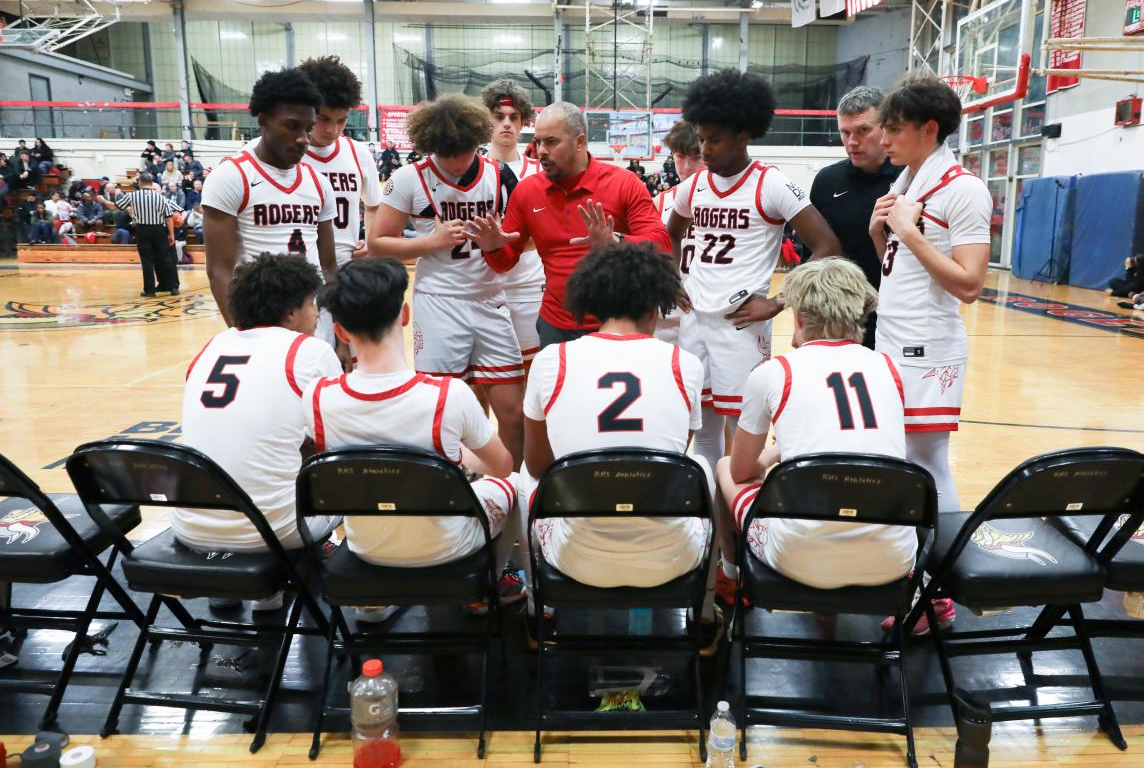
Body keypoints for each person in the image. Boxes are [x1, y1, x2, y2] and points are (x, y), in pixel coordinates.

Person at [518, 242, 721, 652]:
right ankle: (704, 612)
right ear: (655, 307)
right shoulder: (685, 364)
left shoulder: (551, 360)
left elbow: (539, 465)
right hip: (671, 558)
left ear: (594, 302)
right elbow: (674, 461)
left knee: (521, 477)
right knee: (702, 465)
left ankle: (537, 609)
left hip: (574, 557)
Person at [307, 257, 522, 621]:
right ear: (405, 315)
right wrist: (453, 459)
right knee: (514, 484)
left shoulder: (317, 397)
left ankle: (372, 600)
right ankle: (491, 586)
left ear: (341, 332)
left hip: (365, 548)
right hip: (447, 547)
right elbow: (501, 466)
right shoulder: (447, 395)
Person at [665, 69, 842, 471]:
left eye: (714, 139)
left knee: (741, 426)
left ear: (744, 135)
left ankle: (734, 513)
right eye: (701, 138)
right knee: (702, 423)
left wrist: (779, 303)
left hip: (741, 323)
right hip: (694, 319)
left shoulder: (771, 183)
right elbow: (668, 236)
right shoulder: (694, 187)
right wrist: (672, 278)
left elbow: (828, 246)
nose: (704, 149)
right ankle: (709, 510)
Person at [714, 257, 913, 602]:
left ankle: (729, 577)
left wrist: (771, 456)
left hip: (799, 557)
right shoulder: (890, 367)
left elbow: (742, 470)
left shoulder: (775, 372)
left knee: (724, 467)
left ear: (801, 317)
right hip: (894, 559)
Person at [868, 77, 992, 631]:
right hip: (894, 339)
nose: (884, 138)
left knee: (927, 463)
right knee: (901, 461)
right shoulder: (910, 177)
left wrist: (906, 231)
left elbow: (969, 284)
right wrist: (881, 234)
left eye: (893, 129)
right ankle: (916, 583)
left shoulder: (963, 188)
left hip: (928, 348)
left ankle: (935, 593)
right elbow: (902, 266)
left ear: (929, 130)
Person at [178, 253, 342, 611]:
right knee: (345, 464)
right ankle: (363, 598)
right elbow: (335, 442)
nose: (316, 314)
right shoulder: (309, 350)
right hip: (274, 531)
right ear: (290, 313)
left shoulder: (212, 346)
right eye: (312, 303)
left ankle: (251, 589)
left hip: (189, 527)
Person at [368, 94, 525, 464]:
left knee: (513, 412)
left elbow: (524, 238)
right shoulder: (408, 178)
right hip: (438, 304)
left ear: (477, 141)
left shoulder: (500, 176)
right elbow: (377, 243)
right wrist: (430, 242)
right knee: (444, 411)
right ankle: (456, 484)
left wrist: (496, 243)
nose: (455, 162)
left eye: (464, 152)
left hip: (490, 300)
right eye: (446, 153)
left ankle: (512, 486)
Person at [465, 101, 673, 347]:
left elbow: (662, 245)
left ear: (580, 142)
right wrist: (492, 247)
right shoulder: (527, 192)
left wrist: (614, 242)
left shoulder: (624, 183)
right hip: (556, 325)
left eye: (551, 142)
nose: (541, 150)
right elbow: (504, 262)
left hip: (620, 324)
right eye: (538, 142)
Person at [201, 67, 337, 329]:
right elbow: (219, 271)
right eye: (291, 126)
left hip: (314, 319)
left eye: (308, 129)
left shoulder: (318, 183)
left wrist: (340, 334)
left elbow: (329, 266)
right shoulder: (231, 176)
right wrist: (241, 334)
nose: (302, 139)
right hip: (260, 320)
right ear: (263, 121)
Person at [809, 86, 903, 348]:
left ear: (886, 126)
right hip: (838, 318)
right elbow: (813, 257)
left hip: (896, 315)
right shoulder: (827, 181)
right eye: (845, 132)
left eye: (863, 130)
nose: (852, 141)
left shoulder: (910, 179)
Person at [291, 55, 381, 270]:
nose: (333, 130)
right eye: (324, 119)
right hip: (297, 271)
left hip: (344, 272)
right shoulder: (281, 154)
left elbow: (373, 206)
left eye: (342, 120)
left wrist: (370, 241)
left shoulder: (358, 153)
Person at [480, 78, 543, 371]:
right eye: (499, 116)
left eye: (513, 117)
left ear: (524, 121)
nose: (506, 123)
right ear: (486, 119)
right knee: (483, 380)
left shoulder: (541, 170)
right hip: (483, 287)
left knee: (533, 378)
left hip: (529, 286)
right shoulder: (471, 169)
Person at [653, 119, 704, 345]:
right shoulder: (658, 202)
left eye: (695, 157)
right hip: (668, 314)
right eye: (679, 157)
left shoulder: (729, 201)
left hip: (709, 313)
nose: (685, 168)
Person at [101, 172, 181, 296]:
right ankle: (173, 288)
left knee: (147, 260)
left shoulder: (133, 196)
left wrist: (103, 200)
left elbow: (114, 208)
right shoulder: (161, 198)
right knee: (166, 259)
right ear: (151, 182)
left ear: (140, 183)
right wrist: (171, 235)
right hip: (159, 230)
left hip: (142, 230)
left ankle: (149, 291)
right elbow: (169, 218)